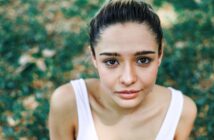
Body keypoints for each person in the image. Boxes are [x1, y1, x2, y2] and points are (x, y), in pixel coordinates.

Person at [48, 0, 197, 139]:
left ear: (160, 54)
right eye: (111, 61)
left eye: (143, 60)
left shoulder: (181, 112)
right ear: (94, 57)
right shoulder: (68, 103)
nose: (128, 79)